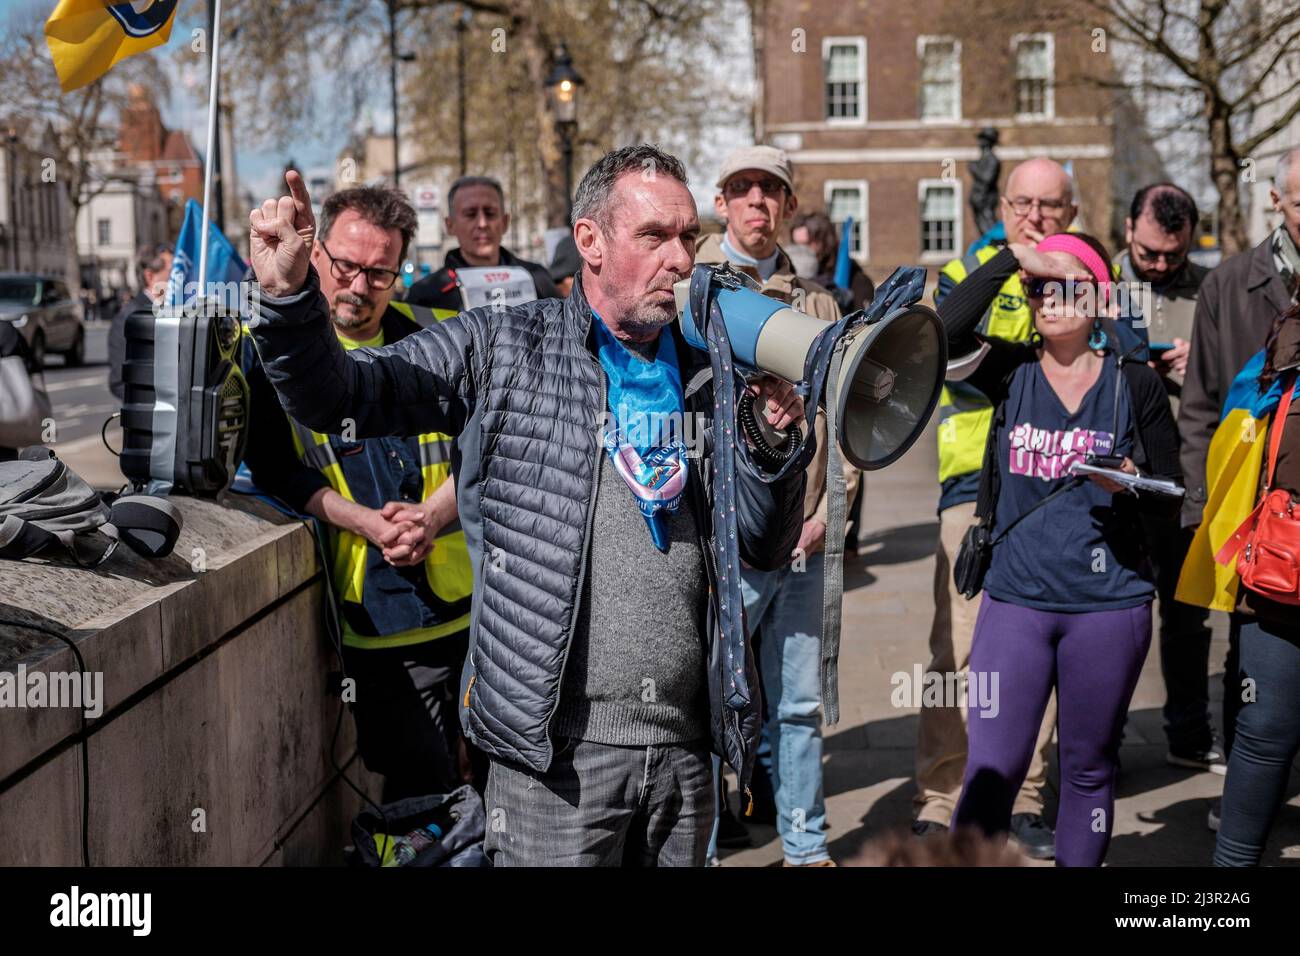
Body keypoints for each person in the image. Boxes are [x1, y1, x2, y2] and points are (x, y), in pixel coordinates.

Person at [245, 145, 806, 867]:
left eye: (687, 239)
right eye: (655, 237)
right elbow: (340, 395)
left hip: (683, 756)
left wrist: (773, 445)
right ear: (590, 241)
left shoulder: (708, 372)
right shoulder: (504, 347)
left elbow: (763, 543)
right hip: (554, 763)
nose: (680, 260)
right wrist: (290, 300)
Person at [942, 232, 1181, 866]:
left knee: (1086, 769)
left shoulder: (1136, 384)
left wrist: (1130, 477)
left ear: (1101, 295)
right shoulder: (1009, 371)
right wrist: (1012, 260)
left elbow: (1171, 496)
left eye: (1067, 282)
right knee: (991, 771)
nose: (1050, 296)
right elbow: (941, 333)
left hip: (1109, 606)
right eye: (1039, 286)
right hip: (1016, 602)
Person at [242, 184, 479, 802]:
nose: (359, 285)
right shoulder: (271, 357)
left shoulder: (444, 334)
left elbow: (491, 447)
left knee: (502, 789)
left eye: (380, 272)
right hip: (377, 622)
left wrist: (434, 514)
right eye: (346, 265)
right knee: (421, 795)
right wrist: (367, 523)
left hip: (477, 607)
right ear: (316, 254)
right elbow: (278, 472)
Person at [696, 145, 858, 867]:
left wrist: (831, 515)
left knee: (795, 707)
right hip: (722, 538)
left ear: (789, 208)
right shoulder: (688, 286)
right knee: (701, 705)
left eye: (773, 190)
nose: (758, 200)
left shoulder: (820, 302)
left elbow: (847, 423)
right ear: (722, 200)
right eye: (744, 188)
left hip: (803, 534)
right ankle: (694, 845)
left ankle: (806, 847)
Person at [913, 157, 1079, 859]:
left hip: (1055, 495)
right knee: (956, 651)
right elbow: (941, 336)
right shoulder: (969, 270)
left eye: (1050, 206)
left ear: (1070, 213)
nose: (1035, 216)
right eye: (1022, 203)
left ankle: (1031, 794)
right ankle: (942, 794)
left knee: (1041, 653)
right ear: (1003, 205)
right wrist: (1011, 262)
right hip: (971, 493)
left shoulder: (1082, 272)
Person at [1179, 147, 1300, 827]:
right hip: (1248, 513)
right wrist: (1203, 509)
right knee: (1248, 659)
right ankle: (1246, 798)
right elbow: (1197, 407)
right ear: (1277, 202)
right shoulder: (1228, 286)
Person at [1115, 184, 1223, 775]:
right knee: (1110, 618)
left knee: (1186, 615)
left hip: (1184, 475)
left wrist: (1202, 363)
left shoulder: (1212, 288)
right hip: (1115, 476)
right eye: (1150, 253)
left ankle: (1188, 731)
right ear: (1129, 227)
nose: (1159, 266)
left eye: (1171, 258)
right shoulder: (1095, 281)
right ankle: (1102, 734)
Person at [404, 175, 558, 316]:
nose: (482, 224)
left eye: (490, 213)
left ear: (504, 222)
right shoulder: (424, 295)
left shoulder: (537, 278)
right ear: (450, 225)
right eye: (470, 214)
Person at [108, 243, 173, 401]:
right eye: (172, 273)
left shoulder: (178, 311)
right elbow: (119, 381)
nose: (180, 279)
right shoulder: (129, 318)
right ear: (150, 276)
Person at [790, 210, 874, 311]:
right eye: (796, 245)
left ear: (824, 241)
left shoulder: (857, 280)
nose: (801, 251)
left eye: (806, 244)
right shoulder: (794, 277)